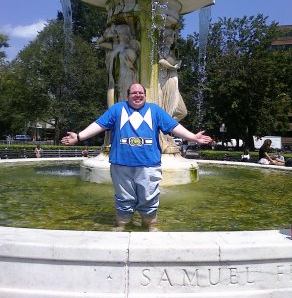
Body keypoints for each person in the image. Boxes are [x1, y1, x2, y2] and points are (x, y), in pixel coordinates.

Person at [61, 83, 212, 232]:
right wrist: (79, 136)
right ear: (128, 96)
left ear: (145, 96)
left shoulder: (155, 111)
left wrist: (194, 137)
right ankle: (122, 227)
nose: (138, 95)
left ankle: (151, 227)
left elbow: (174, 127)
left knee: (149, 199)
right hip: (121, 165)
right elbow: (98, 125)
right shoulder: (117, 109)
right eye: (134, 93)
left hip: (149, 165)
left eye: (141, 93)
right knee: (123, 199)